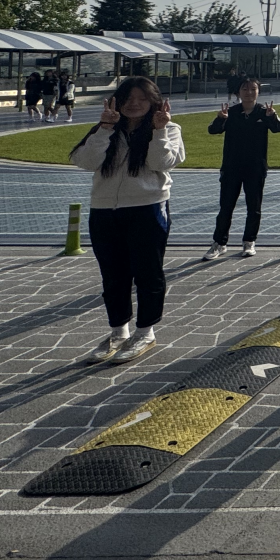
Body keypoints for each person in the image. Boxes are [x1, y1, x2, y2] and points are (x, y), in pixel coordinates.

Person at [69, 77, 185, 364]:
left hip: (147, 209)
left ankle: (145, 331)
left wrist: (158, 132)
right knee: (113, 275)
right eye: (128, 99)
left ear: (154, 102)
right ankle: (119, 331)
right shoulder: (105, 129)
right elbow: (84, 161)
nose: (134, 104)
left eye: (142, 99)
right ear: (117, 102)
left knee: (148, 273)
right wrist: (105, 128)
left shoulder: (169, 129)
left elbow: (162, 163)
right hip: (105, 211)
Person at [204, 76, 280, 260]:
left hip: (255, 167)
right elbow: (213, 130)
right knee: (226, 207)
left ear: (258, 92)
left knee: (254, 207)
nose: (249, 93)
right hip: (231, 167)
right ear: (238, 92)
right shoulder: (231, 112)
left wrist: (272, 117)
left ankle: (249, 241)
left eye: (253, 90)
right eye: (245, 89)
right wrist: (220, 119)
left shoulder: (263, 112)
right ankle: (219, 243)